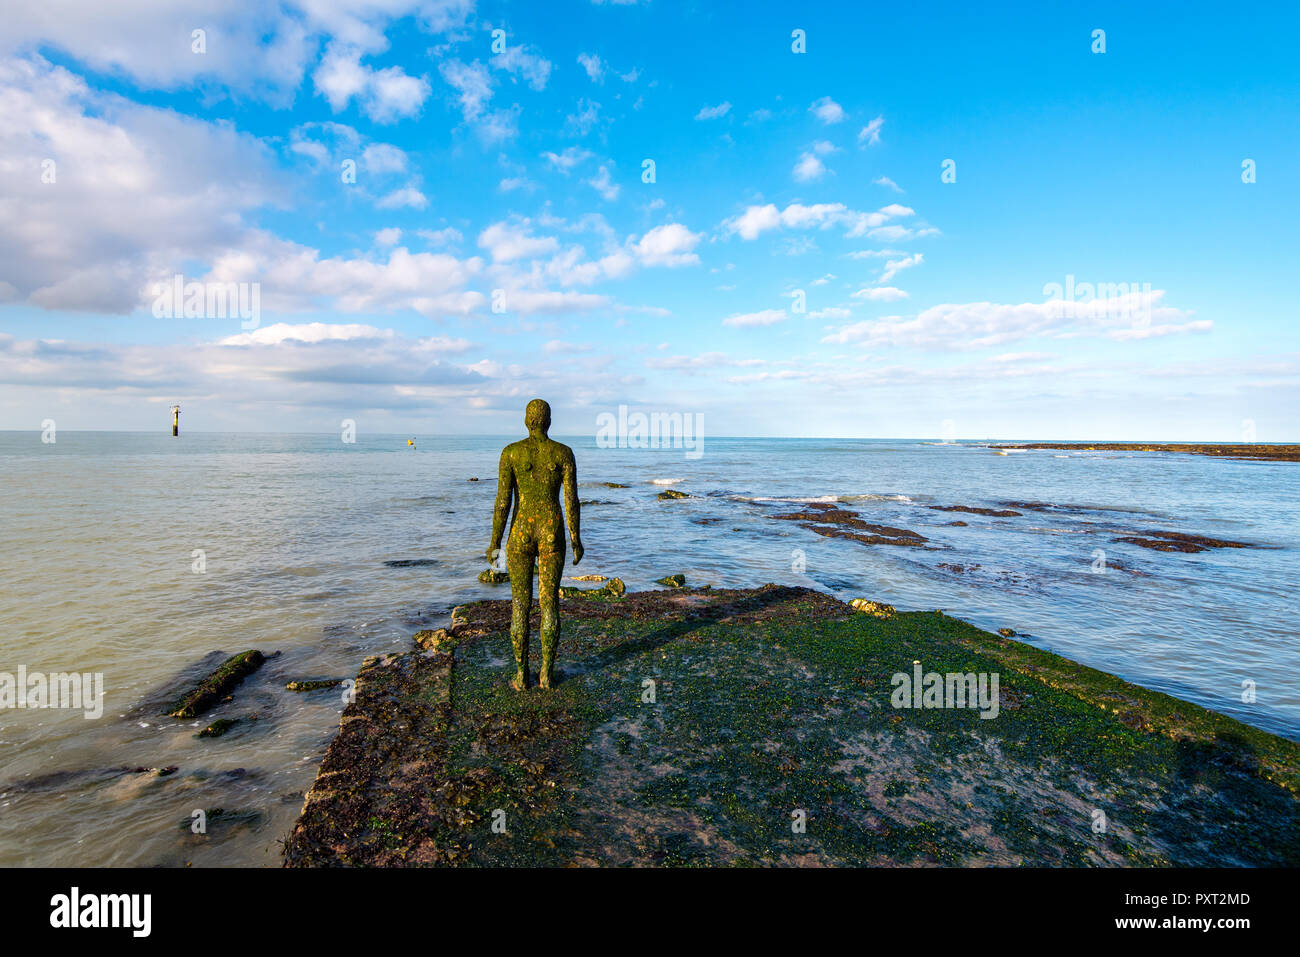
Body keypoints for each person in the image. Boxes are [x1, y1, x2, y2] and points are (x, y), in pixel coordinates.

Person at [487, 399, 583, 690]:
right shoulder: (563, 453)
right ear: (549, 421)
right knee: (550, 603)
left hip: (520, 534)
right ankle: (546, 675)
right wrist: (575, 538)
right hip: (551, 531)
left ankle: (520, 674)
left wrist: (494, 543)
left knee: (520, 605)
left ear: (526, 421)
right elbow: (571, 501)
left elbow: (503, 503)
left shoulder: (511, 453)